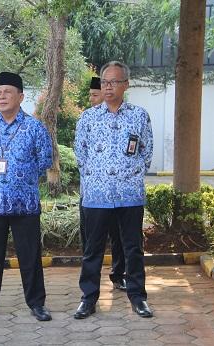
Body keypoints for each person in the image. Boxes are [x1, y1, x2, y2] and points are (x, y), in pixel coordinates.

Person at [0, 72, 53, 322]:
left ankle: (37, 304)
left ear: (21, 96)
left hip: (24, 203)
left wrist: (21, 175)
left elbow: (45, 159)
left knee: (29, 257)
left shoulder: (35, 127)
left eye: (7, 92)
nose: (2, 96)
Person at [74, 61, 154, 319]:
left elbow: (147, 151)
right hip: (96, 196)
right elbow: (81, 153)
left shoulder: (139, 115)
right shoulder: (88, 117)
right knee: (92, 249)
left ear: (126, 85)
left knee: (132, 248)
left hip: (129, 195)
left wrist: (130, 176)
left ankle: (138, 297)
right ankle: (88, 298)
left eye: (114, 82)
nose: (108, 87)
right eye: (105, 82)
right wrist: (93, 178)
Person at [79, 77, 127, 292]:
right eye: (90, 95)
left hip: (119, 194)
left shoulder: (126, 119)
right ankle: (89, 289)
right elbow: (81, 154)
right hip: (92, 193)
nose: (92, 98)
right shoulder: (87, 119)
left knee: (119, 236)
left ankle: (119, 274)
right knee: (91, 240)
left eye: (94, 94)